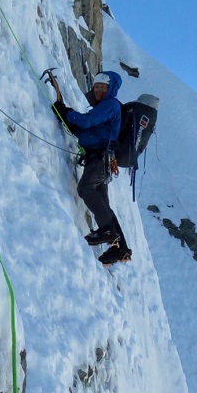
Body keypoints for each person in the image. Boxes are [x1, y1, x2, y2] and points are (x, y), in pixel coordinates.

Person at [50, 70, 131, 264]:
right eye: (95, 88)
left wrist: (67, 113)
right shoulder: (104, 109)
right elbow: (88, 131)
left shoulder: (110, 105)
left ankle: (108, 231)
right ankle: (120, 249)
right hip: (103, 160)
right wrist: (68, 117)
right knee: (104, 204)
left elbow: (86, 122)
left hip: (99, 159)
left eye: (102, 87)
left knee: (85, 188)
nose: (97, 91)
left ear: (110, 89)